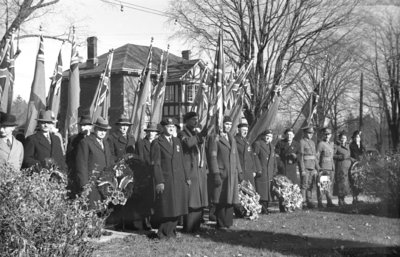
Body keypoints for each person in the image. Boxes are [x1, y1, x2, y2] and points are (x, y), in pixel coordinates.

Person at [151, 117, 190, 239]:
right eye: (168, 127)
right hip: (166, 180)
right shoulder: (157, 143)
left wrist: (186, 177)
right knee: (168, 208)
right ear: (163, 128)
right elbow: (155, 164)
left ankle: (172, 232)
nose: (171, 128)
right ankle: (163, 233)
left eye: (173, 126)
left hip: (178, 179)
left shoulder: (177, 141)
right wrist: (159, 181)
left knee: (177, 207)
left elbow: (182, 160)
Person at [207, 116, 243, 229]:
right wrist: (216, 173)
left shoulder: (231, 138)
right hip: (222, 174)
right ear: (220, 125)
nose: (227, 126)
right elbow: (212, 157)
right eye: (225, 124)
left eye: (229, 124)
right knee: (222, 198)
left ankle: (228, 222)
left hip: (232, 174)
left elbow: (236, 156)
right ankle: (221, 223)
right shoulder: (215, 138)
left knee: (231, 199)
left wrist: (240, 171)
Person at [178, 112, 209, 233]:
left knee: (199, 199)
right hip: (190, 170)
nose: (195, 122)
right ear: (186, 121)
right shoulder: (182, 133)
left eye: (197, 119)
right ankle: (189, 227)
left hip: (199, 170)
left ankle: (197, 226)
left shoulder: (196, 133)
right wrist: (199, 136)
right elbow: (188, 143)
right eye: (193, 120)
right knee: (192, 200)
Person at [75, 117, 114, 210]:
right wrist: (84, 185)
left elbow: (109, 162)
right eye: (100, 129)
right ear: (95, 128)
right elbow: (81, 165)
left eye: (105, 130)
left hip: (105, 184)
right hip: (91, 184)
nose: (103, 132)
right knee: (91, 210)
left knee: (102, 211)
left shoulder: (106, 143)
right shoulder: (86, 142)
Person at [134, 122, 160, 230]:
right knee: (145, 199)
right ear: (146, 132)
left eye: (153, 132)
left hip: (155, 174)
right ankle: (145, 223)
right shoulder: (140, 143)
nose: (151, 134)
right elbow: (139, 159)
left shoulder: (158, 143)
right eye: (149, 131)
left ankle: (153, 221)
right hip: (144, 174)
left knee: (154, 199)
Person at [66, 115, 93, 197]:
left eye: (85, 125)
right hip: (77, 174)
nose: (82, 128)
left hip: (92, 172)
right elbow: (69, 157)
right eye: (81, 125)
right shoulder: (73, 139)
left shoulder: (94, 139)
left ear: (90, 127)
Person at [253, 129, 278, 214]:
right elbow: (255, 157)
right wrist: (258, 169)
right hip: (262, 171)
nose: (268, 138)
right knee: (261, 191)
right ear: (263, 136)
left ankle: (266, 207)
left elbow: (274, 160)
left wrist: (275, 170)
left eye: (270, 136)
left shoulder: (272, 146)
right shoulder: (258, 144)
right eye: (267, 136)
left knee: (268, 191)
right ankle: (262, 208)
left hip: (269, 172)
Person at [299, 126, 319, 208]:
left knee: (311, 184)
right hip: (306, 167)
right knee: (304, 184)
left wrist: (317, 168)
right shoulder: (302, 142)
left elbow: (314, 156)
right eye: (309, 133)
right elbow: (301, 156)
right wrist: (302, 169)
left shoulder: (312, 142)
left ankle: (309, 200)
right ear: (304, 133)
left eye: (312, 133)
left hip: (312, 166)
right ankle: (303, 202)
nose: (311, 134)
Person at [235, 121, 259, 187]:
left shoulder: (247, 142)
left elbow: (252, 157)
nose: (245, 132)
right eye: (243, 130)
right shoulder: (234, 141)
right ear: (238, 130)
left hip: (249, 172)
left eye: (247, 130)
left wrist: (254, 170)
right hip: (240, 172)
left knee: (251, 192)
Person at [316, 128, 335, 208]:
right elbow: (316, 157)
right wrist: (318, 168)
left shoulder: (331, 144)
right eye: (325, 134)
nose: (327, 136)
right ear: (323, 135)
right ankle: (320, 203)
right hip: (323, 168)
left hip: (330, 167)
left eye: (329, 134)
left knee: (329, 186)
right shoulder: (321, 144)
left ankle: (329, 202)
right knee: (322, 186)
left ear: (331, 135)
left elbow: (332, 157)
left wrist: (333, 167)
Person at [334, 131, 353, 206]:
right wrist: (341, 157)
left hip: (347, 167)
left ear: (346, 138)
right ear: (339, 138)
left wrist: (352, 159)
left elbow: (349, 155)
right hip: (340, 167)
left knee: (346, 184)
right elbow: (333, 155)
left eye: (344, 138)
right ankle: (340, 200)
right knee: (340, 183)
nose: (343, 140)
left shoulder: (348, 146)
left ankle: (343, 199)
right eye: (341, 138)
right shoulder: (336, 146)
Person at [349, 130, 365, 204]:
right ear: (354, 138)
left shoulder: (361, 145)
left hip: (360, 165)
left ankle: (357, 197)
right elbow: (350, 155)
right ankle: (354, 198)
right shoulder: (351, 145)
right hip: (354, 165)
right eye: (356, 137)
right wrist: (354, 160)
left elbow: (363, 154)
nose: (357, 138)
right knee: (354, 181)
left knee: (360, 181)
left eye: (358, 137)